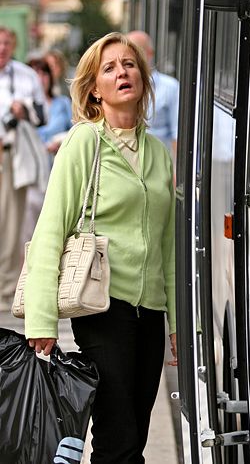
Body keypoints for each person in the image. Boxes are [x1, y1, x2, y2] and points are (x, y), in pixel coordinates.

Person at [23, 32, 177, 464]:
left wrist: (181, 324)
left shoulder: (158, 152)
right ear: (94, 88)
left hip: (149, 313)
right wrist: (41, 321)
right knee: (118, 437)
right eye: (109, 68)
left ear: (143, 78)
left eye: (129, 64)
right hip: (102, 309)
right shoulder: (83, 143)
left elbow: (169, 245)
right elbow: (50, 232)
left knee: (133, 434)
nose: (122, 72)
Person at [0, 27, 47, 311]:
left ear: (13, 45)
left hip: (11, 156)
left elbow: (42, 116)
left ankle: (5, 289)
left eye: (6, 43)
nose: (2, 48)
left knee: (10, 223)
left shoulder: (25, 76)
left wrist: (23, 110)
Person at [22, 57, 73, 243]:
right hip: (30, 173)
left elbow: (75, 130)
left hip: (56, 169)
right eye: (35, 73)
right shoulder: (22, 106)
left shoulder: (62, 103)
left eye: (44, 73)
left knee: (54, 225)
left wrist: (60, 141)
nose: (40, 78)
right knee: (27, 229)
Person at [127, 30, 179, 162]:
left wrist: (177, 176)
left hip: (158, 165)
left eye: (136, 52)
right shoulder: (119, 86)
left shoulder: (170, 87)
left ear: (150, 53)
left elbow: (177, 134)